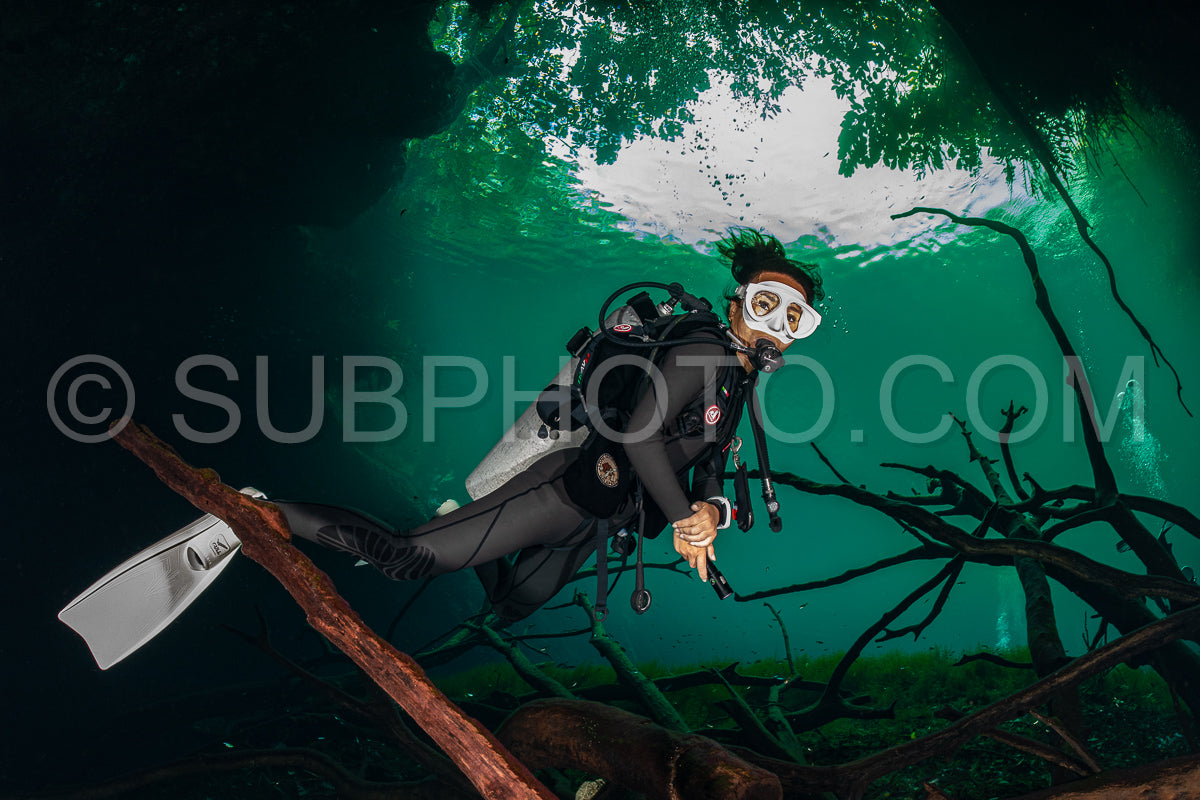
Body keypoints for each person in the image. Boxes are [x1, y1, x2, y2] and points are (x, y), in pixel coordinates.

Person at [275, 228, 824, 624]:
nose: (776, 323)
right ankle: (254, 510)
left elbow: (707, 463)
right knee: (405, 558)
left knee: (511, 607)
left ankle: (455, 522)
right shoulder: (705, 349)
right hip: (562, 491)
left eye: (792, 316)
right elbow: (638, 434)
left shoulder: (738, 384)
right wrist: (684, 521)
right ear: (737, 306)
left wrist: (712, 511)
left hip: (597, 526)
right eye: (765, 303)